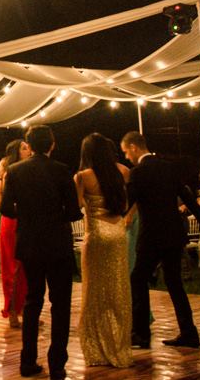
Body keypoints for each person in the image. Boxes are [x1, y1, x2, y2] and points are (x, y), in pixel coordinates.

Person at [0, 125, 80, 380]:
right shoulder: (62, 170)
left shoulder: (15, 171)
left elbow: (6, 209)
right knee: (61, 304)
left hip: (30, 243)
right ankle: (57, 364)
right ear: (52, 145)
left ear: (30, 145)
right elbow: (74, 212)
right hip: (57, 243)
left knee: (32, 301)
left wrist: (27, 214)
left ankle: (27, 361)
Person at [122, 131, 200, 350]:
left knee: (137, 278)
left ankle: (141, 334)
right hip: (173, 234)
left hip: (151, 236)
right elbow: (187, 196)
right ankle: (189, 333)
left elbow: (127, 202)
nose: (126, 157)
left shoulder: (138, 172)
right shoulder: (168, 167)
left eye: (125, 152)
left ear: (134, 147)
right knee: (174, 283)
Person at [75, 134, 132, 368]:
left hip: (96, 234)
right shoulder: (123, 171)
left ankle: (96, 349)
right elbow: (126, 204)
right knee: (118, 290)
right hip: (118, 233)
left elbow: (77, 207)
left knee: (94, 292)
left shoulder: (83, 176)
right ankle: (119, 347)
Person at [0, 139, 31, 329]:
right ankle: (11, 310)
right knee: (13, 267)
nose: (28, 150)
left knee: (26, 267)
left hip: (26, 220)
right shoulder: (10, 173)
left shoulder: (28, 169)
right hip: (12, 221)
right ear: (16, 153)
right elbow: (8, 202)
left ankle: (24, 308)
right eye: (24, 148)